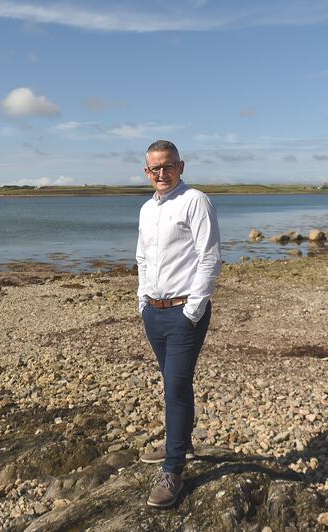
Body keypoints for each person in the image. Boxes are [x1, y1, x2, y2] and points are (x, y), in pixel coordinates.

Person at [136, 139, 221, 507]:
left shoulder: (196, 201)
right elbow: (142, 256)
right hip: (153, 312)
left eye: (167, 166)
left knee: (174, 385)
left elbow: (210, 257)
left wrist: (192, 309)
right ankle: (181, 443)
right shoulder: (145, 209)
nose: (161, 173)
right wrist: (142, 302)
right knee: (176, 384)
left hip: (185, 312)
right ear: (146, 172)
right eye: (155, 168)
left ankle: (173, 470)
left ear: (180, 167)